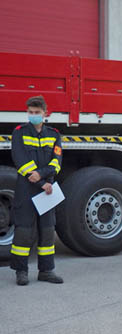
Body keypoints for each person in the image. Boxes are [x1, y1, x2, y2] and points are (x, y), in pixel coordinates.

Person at [10, 96, 63, 285]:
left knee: (47, 230)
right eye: (30, 112)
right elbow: (20, 160)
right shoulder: (19, 132)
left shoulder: (54, 134)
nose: (33, 116)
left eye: (37, 113)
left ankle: (46, 271)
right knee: (24, 231)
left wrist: (42, 177)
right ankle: (21, 272)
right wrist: (41, 182)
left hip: (47, 189)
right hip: (27, 188)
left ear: (45, 113)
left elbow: (56, 162)